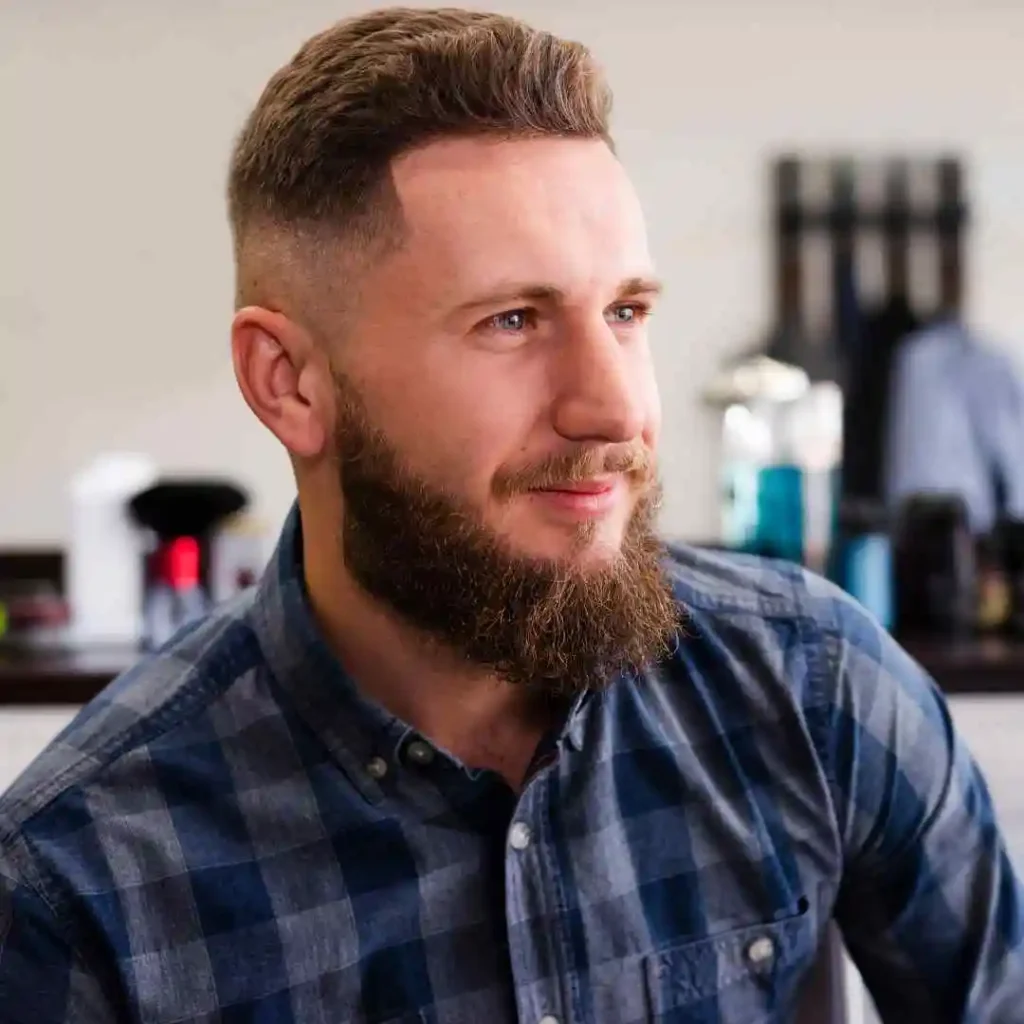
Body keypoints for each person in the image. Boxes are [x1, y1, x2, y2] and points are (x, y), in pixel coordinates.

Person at [1, 8, 1022, 1023]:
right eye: (512, 320)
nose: (614, 406)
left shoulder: (815, 688)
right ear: (291, 384)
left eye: (625, 312)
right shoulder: (75, 885)